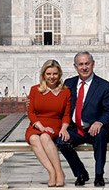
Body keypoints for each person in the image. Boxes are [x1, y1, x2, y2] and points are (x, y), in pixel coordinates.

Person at [56, 51, 109, 187]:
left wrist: (100, 122)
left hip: (94, 128)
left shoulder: (104, 86)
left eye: (87, 64)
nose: (84, 67)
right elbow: (58, 102)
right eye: (81, 64)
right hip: (75, 129)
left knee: (100, 135)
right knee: (61, 141)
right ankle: (81, 172)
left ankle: (99, 175)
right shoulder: (69, 84)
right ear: (75, 66)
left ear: (93, 64)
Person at [26, 59, 71, 187]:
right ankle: (52, 172)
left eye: (55, 74)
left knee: (45, 137)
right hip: (37, 125)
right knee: (34, 138)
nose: (52, 77)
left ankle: (59, 172)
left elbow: (66, 114)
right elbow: (31, 112)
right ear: (43, 75)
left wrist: (64, 129)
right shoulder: (35, 90)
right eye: (49, 74)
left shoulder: (65, 92)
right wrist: (40, 126)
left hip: (55, 124)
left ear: (60, 75)